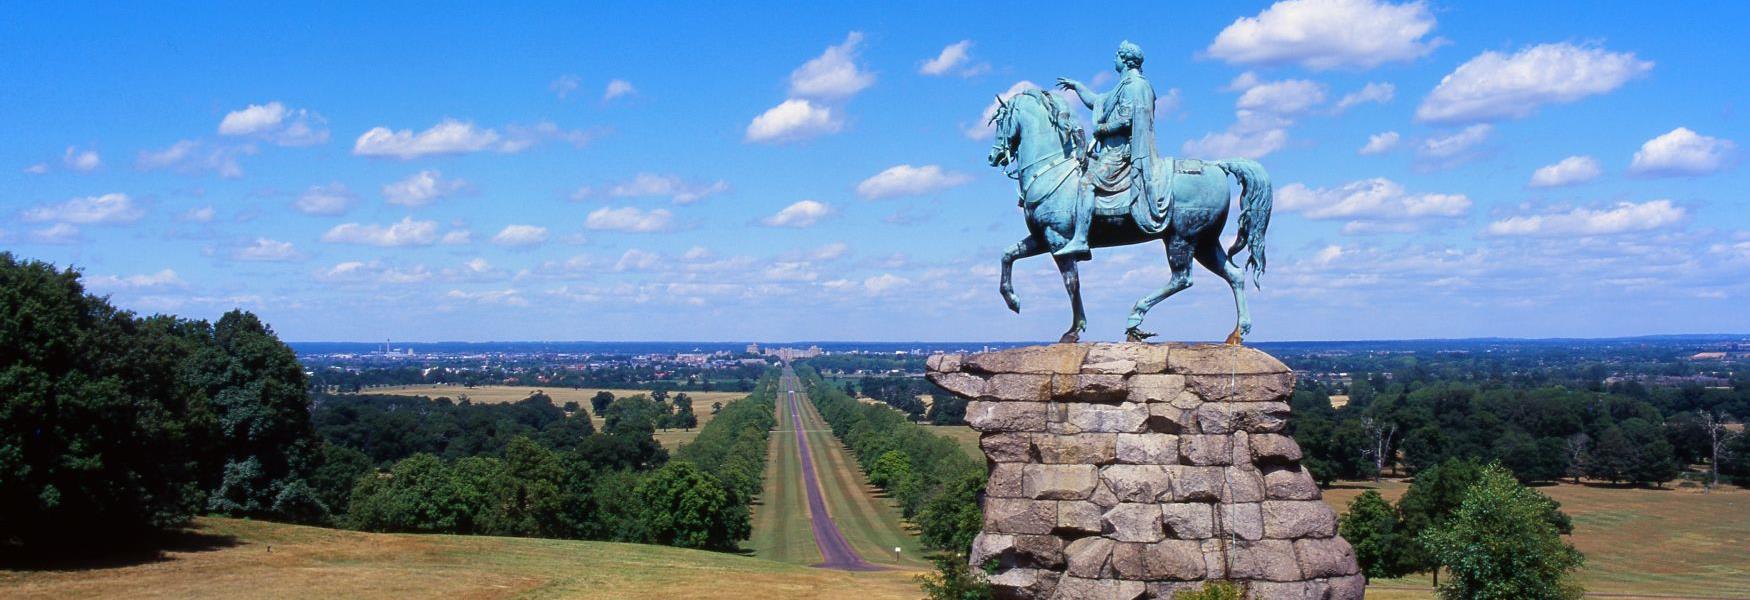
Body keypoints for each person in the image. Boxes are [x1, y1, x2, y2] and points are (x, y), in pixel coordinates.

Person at [1055, 40, 1158, 261]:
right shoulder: (1123, 85)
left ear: (1124, 59)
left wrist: (1102, 128)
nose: (1114, 59)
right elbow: (1098, 101)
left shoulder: (1134, 86)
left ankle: (1081, 238)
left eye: (1116, 56)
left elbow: (1126, 119)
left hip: (1121, 152)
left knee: (1086, 182)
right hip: (1112, 150)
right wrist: (1078, 87)